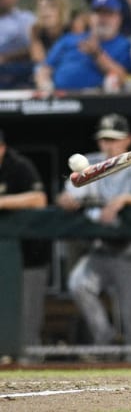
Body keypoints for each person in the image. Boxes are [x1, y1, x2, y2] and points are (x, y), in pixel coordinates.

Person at [56, 114, 131, 362]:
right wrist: (66, 200)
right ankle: (103, 337)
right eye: (104, 139)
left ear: (128, 140)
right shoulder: (90, 163)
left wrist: (126, 199)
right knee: (78, 283)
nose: (108, 145)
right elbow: (70, 194)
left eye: (114, 140)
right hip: (101, 249)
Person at [0, 129, 49, 362]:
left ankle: (31, 367)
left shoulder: (19, 166)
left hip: (29, 257)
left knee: (28, 320)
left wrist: (3, 202)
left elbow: (39, 200)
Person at [34, 0, 131, 92]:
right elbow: (45, 68)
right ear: (91, 17)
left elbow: (123, 77)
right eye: (98, 13)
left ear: (118, 18)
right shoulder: (69, 39)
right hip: (59, 97)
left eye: (108, 13)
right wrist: (44, 83)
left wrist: (97, 55)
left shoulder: (124, 45)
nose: (102, 19)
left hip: (96, 99)